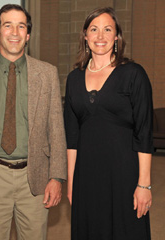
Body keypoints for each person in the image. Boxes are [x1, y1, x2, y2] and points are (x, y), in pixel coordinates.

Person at [0, 4, 67, 240]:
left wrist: (56, 177)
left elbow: (56, 129)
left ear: (28, 35)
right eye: (8, 25)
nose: (14, 32)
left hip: (35, 176)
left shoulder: (47, 74)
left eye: (21, 26)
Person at [64, 7, 153, 240]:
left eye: (107, 29)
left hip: (124, 174)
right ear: (85, 36)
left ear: (116, 37)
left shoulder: (134, 74)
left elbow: (144, 133)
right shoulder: (74, 78)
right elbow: (72, 136)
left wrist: (144, 185)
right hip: (86, 175)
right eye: (94, 29)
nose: (100, 36)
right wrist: (72, 183)